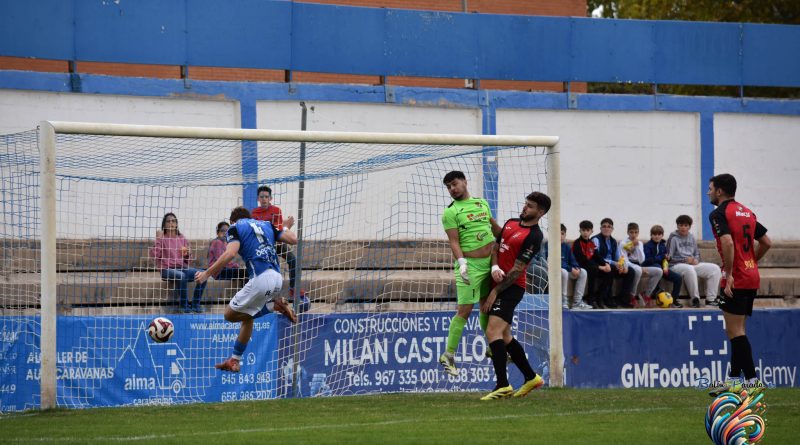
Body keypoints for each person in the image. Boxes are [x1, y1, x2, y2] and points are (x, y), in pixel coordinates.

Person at [196, 206, 298, 373]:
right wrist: (284, 226)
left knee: (229, 315)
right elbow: (293, 239)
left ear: (231, 221)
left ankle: (274, 306)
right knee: (247, 317)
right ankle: (235, 360)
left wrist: (207, 273)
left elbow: (230, 254)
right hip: (278, 279)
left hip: (260, 278)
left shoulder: (235, 228)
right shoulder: (266, 225)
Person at [479, 191, 551, 400]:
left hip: (512, 288)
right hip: (497, 283)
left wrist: (495, 291)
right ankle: (531, 377)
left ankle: (502, 385)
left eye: (530, 206)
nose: (525, 208)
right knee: (505, 336)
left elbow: (518, 269)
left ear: (541, 212)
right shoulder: (511, 222)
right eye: (525, 204)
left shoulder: (535, 236)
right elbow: (496, 246)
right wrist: (493, 267)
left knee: (493, 331)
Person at [707, 173, 771, 395]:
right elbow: (766, 242)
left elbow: (726, 242)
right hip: (751, 275)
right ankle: (734, 381)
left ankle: (752, 381)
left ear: (720, 191)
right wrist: (751, 262)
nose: (708, 192)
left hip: (736, 278)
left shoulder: (719, 213)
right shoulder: (747, 212)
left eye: (710, 188)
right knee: (738, 330)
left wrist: (731, 272)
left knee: (735, 331)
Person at [439, 170, 502, 376]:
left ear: (465, 182)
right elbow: (454, 241)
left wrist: (515, 236)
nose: (452, 189)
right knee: (464, 310)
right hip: (470, 267)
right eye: (448, 187)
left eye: (454, 184)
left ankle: (493, 346)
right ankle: (448, 355)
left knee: (486, 306)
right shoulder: (451, 212)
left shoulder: (481, 203)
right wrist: (462, 262)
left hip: (489, 263)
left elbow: (495, 230)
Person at [251, 185, 303, 299]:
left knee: (293, 260)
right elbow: (260, 230)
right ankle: (271, 295)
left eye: (266, 197)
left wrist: (283, 227)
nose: (264, 199)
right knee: (274, 268)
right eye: (262, 197)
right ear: (258, 199)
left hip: (278, 243)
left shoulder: (276, 210)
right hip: (264, 245)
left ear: (270, 198)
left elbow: (277, 228)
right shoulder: (254, 213)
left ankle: (293, 289)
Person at [150, 212, 207, 313]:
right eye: (168, 221)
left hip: (182, 268)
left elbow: (188, 260)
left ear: (176, 224)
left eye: (173, 221)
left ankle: (195, 304)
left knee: (203, 274)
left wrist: (187, 254)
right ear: (164, 224)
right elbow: (154, 255)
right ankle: (184, 305)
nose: (171, 223)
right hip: (167, 269)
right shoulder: (162, 238)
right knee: (181, 276)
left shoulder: (181, 238)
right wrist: (158, 239)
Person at [667, 215, 722, 308]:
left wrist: (696, 260)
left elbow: (697, 253)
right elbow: (669, 258)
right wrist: (684, 260)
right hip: (677, 265)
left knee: (715, 269)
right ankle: (695, 299)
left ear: (689, 226)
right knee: (689, 269)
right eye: (680, 225)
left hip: (691, 264)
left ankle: (711, 300)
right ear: (677, 226)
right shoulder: (673, 238)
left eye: (685, 225)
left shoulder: (692, 237)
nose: (683, 228)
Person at [591, 218, 635, 308]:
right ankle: (606, 298)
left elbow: (618, 257)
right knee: (610, 270)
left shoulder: (613, 241)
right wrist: (614, 263)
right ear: (600, 228)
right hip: (600, 266)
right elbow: (597, 257)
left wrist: (623, 265)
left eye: (609, 227)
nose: (606, 229)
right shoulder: (596, 239)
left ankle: (622, 299)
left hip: (612, 265)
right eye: (604, 226)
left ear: (612, 229)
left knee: (630, 271)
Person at [571, 220, 612, 309]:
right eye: (583, 230)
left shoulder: (591, 243)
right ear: (580, 231)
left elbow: (597, 256)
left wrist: (606, 264)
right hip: (581, 265)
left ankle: (599, 298)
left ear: (591, 232)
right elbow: (582, 260)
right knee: (593, 270)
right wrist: (599, 267)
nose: (585, 232)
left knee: (609, 272)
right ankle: (590, 299)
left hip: (591, 265)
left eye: (588, 230)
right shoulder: (577, 243)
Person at [621, 222, 662, 307]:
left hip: (639, 265)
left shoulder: (640, 243)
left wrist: (636, 246)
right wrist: (638, 267)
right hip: (629, 265)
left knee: (658, 271)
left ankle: (646, 295)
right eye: (631, 232)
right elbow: (623, 259)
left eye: (636, 232)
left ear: (638, 233)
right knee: (638, 270)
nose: (634, 235)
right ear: (628, 232)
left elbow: (641, 260)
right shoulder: (623, 243)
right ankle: (632, 295)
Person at [642, 225, 684, 308]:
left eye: (659, 234)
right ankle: (656, 291)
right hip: (652, 268)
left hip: (662, 268)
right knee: (657, 267)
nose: (657, 236)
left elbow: (664, 259)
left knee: (678, 278)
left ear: (662, 235)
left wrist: (667, 260)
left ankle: (674, 300)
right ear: (651, 235)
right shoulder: (647, 246)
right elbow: (646, 261)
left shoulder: (662, 245)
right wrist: (661, 257)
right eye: (654, 234)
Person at [559, 224, 591, 310]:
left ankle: (577, 302)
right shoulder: (549, 245)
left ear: (565, 235)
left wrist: (576, 267)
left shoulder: (566, 246)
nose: (560, 236)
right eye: (557, 233)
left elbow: (572, 259)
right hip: (556, 271)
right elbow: (555, 261)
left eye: (562, 233)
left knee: (583, 272)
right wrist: (570, 268)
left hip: (567, 270)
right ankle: (563, 300)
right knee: (564, 272)